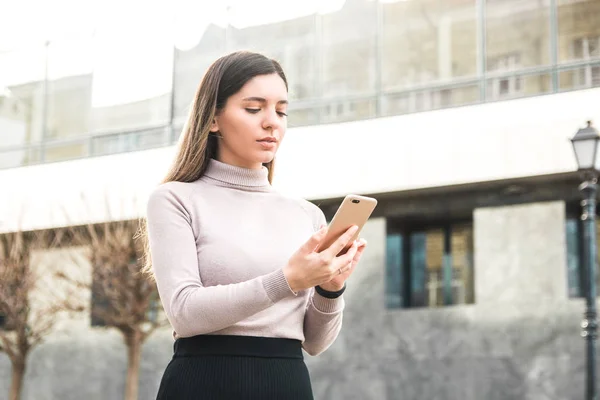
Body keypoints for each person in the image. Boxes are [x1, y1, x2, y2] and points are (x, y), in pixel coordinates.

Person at [141, 51, 368, 400]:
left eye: (281, 110)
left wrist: (330, 288)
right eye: (253, 108)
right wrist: (288, 280)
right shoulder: (174, 199)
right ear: (213, 118)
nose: (272, 122)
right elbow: (184, 312)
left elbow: (314, 342)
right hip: (203, 383)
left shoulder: (307, 216)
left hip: (287, 382)